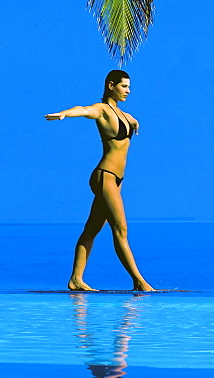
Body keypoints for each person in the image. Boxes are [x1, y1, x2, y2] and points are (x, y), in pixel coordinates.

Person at [45, 70, 155, 292]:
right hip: (105, 175)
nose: (128, 91)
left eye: (129, 87)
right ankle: (139, 281)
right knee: (120, 230)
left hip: (116, 180)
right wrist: (65, 114)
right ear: (111, 85)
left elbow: (129, 121)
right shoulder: (103, 110)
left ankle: (76, 279)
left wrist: (134, 121)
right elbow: (84, 110)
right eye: (124, 86)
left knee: (92, 229)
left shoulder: (123, 114)